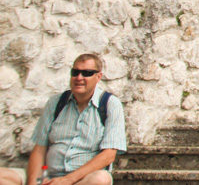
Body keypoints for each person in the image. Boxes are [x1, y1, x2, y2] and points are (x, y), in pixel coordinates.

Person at [0, 54, 126, 185]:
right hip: (48, 177)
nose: (79, 78)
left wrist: (67, 180)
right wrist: (34, 182)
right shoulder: (56, 103)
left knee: (100, 179)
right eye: (75, 72)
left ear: (98, 77)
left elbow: (108, 155)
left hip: (81, 180)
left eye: (86, 73)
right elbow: (39, 149)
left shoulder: (109, 104)